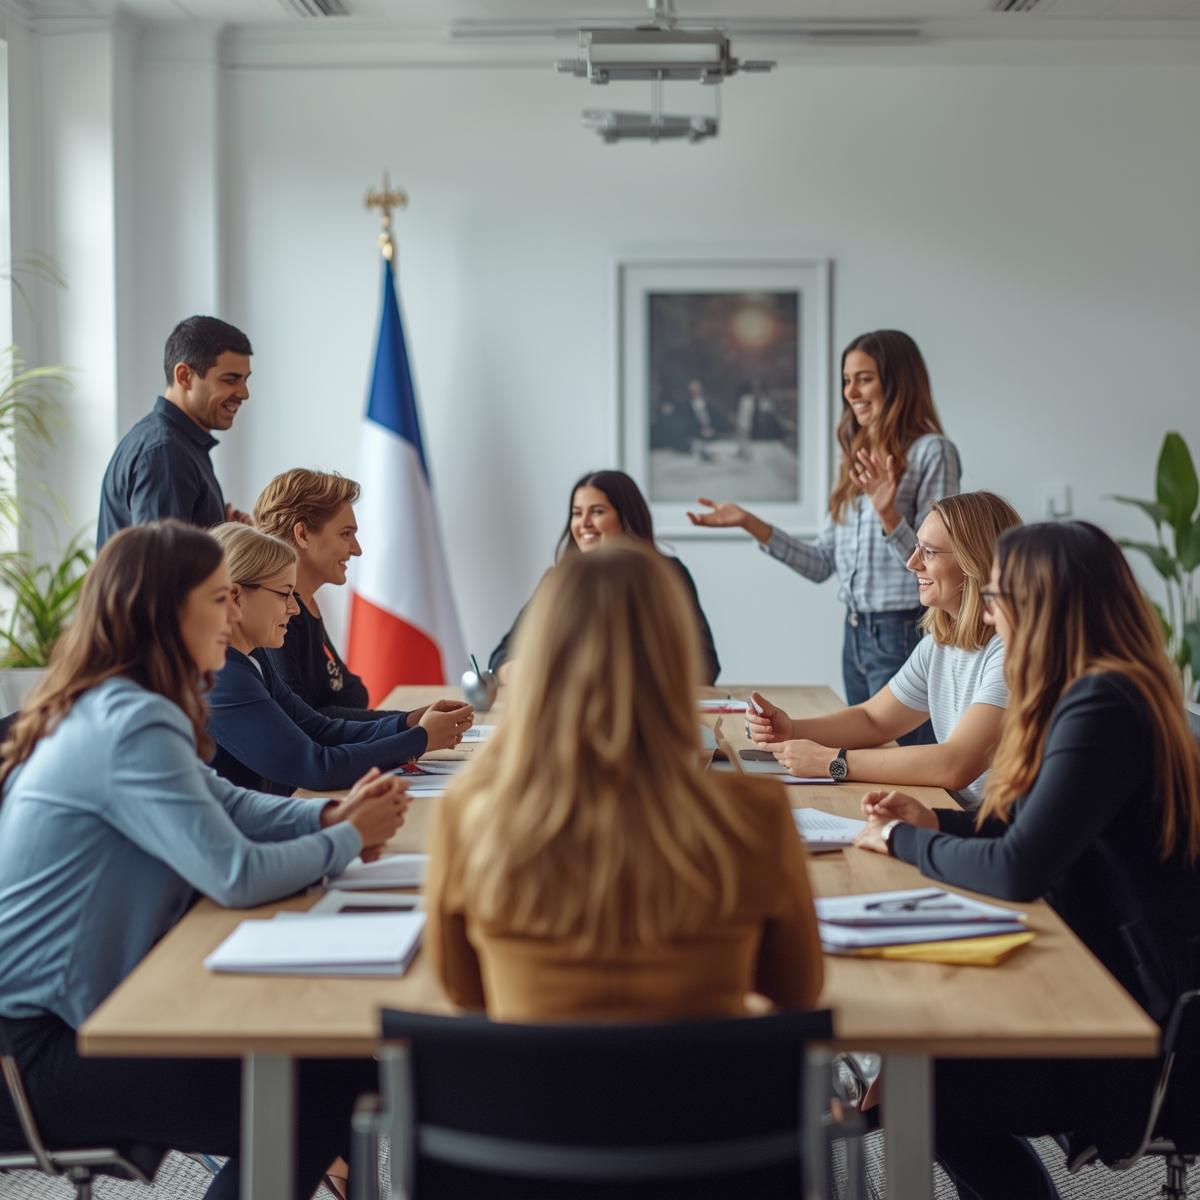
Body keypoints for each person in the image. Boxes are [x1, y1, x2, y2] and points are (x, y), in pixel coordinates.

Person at [0, 520, 411, 1200]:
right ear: (167, 611)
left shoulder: (121, 701)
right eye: (218, 600)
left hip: (65, 1023)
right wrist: (341, 838)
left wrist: (330, 816)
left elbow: (230, 806)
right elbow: (235, 875)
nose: (231, 617)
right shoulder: (132, 718)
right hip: (40, 1053)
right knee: (324, 1094)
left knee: (330, 1079)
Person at [854, 521, 1200, 1200]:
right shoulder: (1103, 692)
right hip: (1107, 983)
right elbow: (1027, 828)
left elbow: (1018, 869)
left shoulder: (1103, 705)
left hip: (1134, 1027)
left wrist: (901, 843)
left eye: (999, 598)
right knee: (910, 1070)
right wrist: (936, 820)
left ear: (1043, 606)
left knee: (915, 1089)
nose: (987, 613)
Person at [427, 541, 823, 1021]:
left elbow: (465, 993)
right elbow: (796, 989)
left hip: (533, 1093)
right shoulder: (754, 814)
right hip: (709, 1094)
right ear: (674, 657)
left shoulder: (468, 814)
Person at [688, 330, 960, 743]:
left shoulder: (931, 452)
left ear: (897, 381)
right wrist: (750, 523)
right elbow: (820, 565)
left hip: (904, 629)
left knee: (904, 761)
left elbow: (942, 564)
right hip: (854, 634)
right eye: (846, 380)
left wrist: (889, 515)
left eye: (864, 378)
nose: (851, 391)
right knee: (869, 761)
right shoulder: (854, 460)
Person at [748, 492, 1019, 809]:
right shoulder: (938, 643)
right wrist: (792, 729)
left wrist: (833, 762)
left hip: (993, 830)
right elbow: (873, 719)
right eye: (917, 547)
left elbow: (955, 764)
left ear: (974, 561)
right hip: (959, 816)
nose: (911, 563)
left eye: (928, 552)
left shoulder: (1010, 650)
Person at [206, 523, 472, 795]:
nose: (295, 608)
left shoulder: (252, 656)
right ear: (236, 596)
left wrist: (408, 723)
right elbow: (317, 767)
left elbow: (319, 729)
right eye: (284, 594)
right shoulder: (223, 675)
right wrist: (421, 739)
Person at [488, 469, 721, 685]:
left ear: (626, 518)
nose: (584, 523)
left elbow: (706, 666)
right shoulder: (559, 580)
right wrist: (521, 671)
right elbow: (501, 656)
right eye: (577, 513)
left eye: (598, 511)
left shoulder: (666, 575)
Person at [97, 316, 255, 547]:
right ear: (184, 376)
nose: (243, 393)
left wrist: (224, 538)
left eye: (245, 380)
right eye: (230, 380)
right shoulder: (165, 453)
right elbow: (163, 571)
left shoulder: (175, 446)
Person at [253, 467, 395, 719]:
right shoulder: (279, 615)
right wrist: (409, 723)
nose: (357, 549)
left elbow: (344, 695)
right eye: (346, 534)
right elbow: (304, 721)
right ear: (303, 534)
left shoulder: (307, 604)